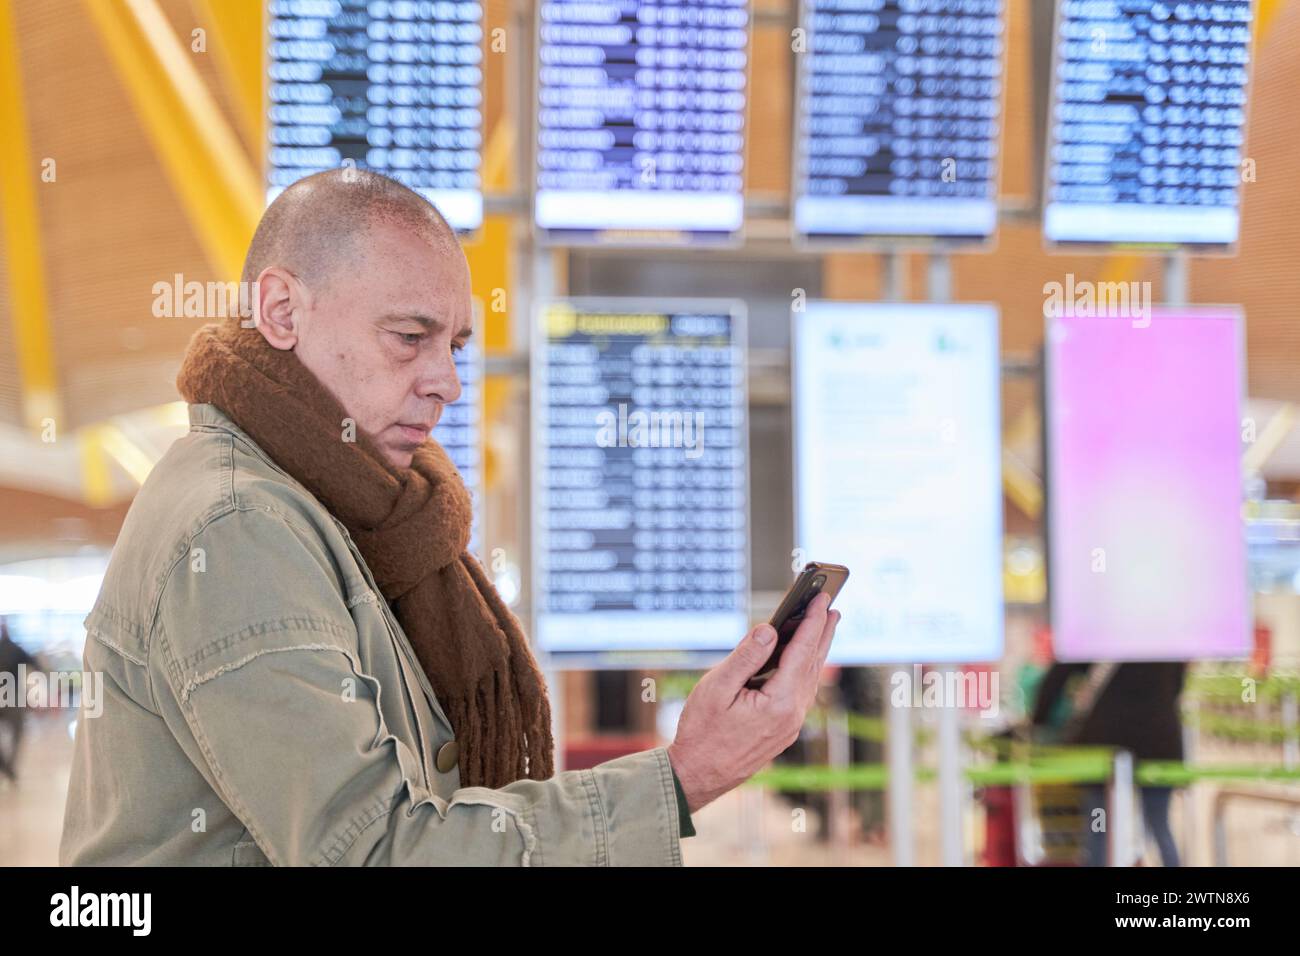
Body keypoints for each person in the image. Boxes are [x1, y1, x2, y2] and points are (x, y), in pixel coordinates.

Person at [60, 169, 840, 866]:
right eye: (409, 337)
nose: (448, 383)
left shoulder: (345, 513)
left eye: (458, 345)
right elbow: (376, 849)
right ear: (281, 309)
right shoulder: (236, 528)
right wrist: (683, 778)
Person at [1031, 661, 1187, 866]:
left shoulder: (1098, 632)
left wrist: (1038, 720)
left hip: (1106, 743)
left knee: (1099, 825)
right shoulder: (1166, 634)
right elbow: (1176, 682)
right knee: (1159, 824)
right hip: (1159, 740)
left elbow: (1059, 674)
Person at [0, 617, 39, 782]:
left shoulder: (15, 649)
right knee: (18, 731)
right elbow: (35, 664)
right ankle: (8, 765)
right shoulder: (16, 649)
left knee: (18, 731)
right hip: (12, 696)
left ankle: (5, 764)